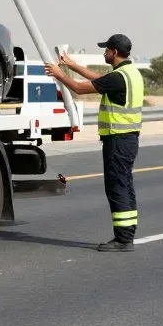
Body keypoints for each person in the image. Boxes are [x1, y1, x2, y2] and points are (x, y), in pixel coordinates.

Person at [45, 33, 143, 251]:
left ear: (114, 52)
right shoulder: (129, 73)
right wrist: (71, 64)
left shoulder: (118, 77)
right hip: (127, 139)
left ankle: (123, 240)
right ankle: (127, 234)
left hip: (118, 140)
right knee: (124, 184)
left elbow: (80, 88)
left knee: (117, 186)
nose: (104, 53)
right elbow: (98, 79)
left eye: (106, 50)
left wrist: (59, 74)